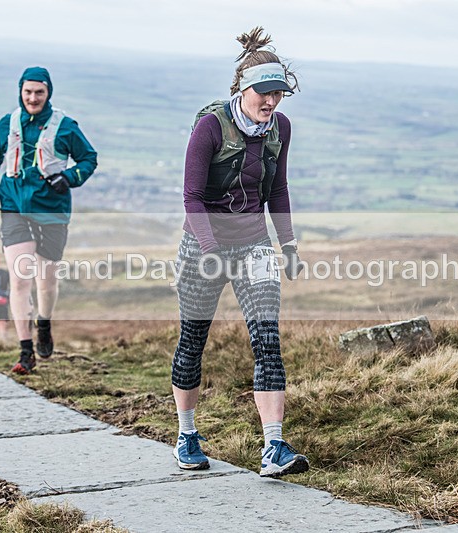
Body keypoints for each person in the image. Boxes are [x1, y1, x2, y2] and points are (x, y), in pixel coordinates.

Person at [170, 27, 308, 478]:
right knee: (193, 341)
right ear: (243, 88)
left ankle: (274, 447)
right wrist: (209, 249)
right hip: (203, 242)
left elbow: (279, 190)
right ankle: (187, 433)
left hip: (254, 243)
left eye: (278, 94)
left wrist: (287, 245)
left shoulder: (279, 129)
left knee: (268, 340)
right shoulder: (211, 127)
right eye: (264, 93)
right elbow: (191, 197)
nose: (271, 102)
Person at [0, 66, 98, 374]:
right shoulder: (8, 123)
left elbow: (89, 158)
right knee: (20, 278)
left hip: (51, 210)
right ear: (20, 91)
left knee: (46, 280)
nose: (32, 98)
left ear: (48, 93)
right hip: (14, 205)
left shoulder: (66, 126)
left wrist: (68, 178)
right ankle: (25, 349)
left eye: (38, 92)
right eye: (27, 92)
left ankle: (44, 322)